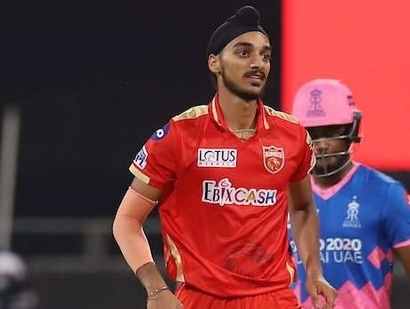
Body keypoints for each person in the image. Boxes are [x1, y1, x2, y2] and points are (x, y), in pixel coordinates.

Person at [112, 6, 337, 309]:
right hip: (200, 299)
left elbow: (303, 207)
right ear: (214, 63)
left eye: (265, 55)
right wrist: (156, 289)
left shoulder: (292, 136)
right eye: (244, 53)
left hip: (275, 299)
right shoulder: (181, 135)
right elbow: (126, 220)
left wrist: (314, 271)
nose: (258, 63)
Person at [288, 79, 410, 309]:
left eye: (331, 131)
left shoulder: (385, 194)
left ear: (351, 129)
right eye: (312, 133)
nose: (320, 145)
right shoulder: (281, 194)